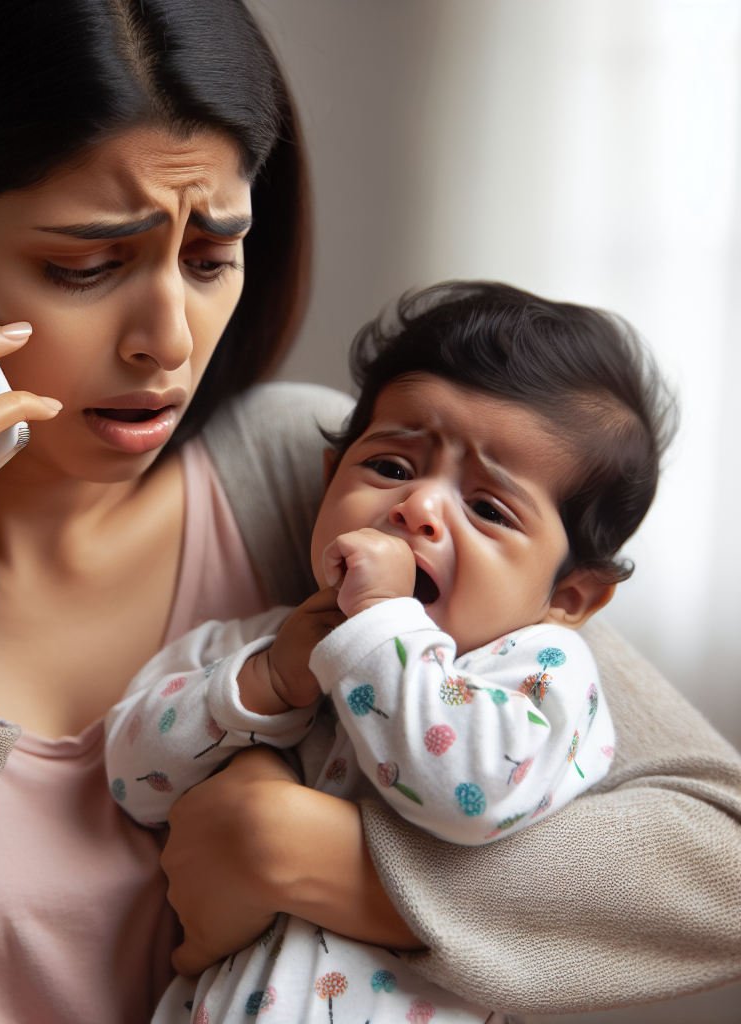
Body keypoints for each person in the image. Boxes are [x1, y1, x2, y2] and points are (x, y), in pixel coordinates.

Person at [0, 2, 738, 1023]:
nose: (168, 337)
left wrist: (322, 863)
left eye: (210, 258)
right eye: (86, 265)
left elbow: (716, 862)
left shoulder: (336, 479)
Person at [106, 283, 654, 1023]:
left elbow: (467, 790)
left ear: (571, 598)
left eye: (488, 509)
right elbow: (130, 775)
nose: (418, 508)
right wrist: (268, 680)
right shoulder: (259, 642)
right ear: (331, 480)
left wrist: (384, 626)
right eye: (392, 468)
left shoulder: (539, 677)